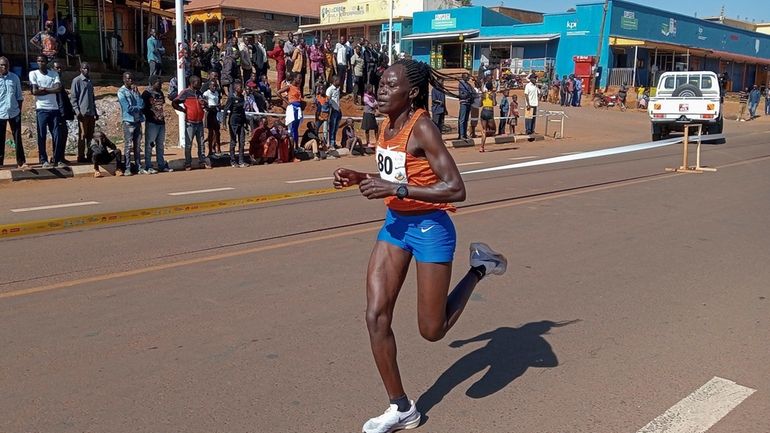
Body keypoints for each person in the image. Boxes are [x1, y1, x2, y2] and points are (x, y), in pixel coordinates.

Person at [332, 59, 507, 433]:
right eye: (380, 83)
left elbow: (456, 188)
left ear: (410, 93)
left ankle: (480, 268)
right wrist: (361, 177)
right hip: (395, 225)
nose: (380, 90)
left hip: (431, 227)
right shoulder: (386, 123)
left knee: (433, 330)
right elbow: (398, 174)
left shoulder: (422, 127)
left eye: (389, 85)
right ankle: (401, 407)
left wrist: (395, 189)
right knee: (375, 316)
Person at [29, 55, 63, 168]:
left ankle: (57, 159)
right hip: (41, 109)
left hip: (54, 109)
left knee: (57, 134)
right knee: (42, 135)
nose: (40, 63)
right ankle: (43, 160)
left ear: (47, 62)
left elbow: (58, 89)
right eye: (38, 61)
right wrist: (50, 90)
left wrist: (43, 89)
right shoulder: (33, 74)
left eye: (42, 61)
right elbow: (34, 91)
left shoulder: (54, 73)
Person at [172, 75, 211, 170]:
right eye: (198, 82)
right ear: (192, 83)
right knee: (188, 143)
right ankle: (188, 163)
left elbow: (206, 105)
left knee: (201, 143)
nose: (200, 83)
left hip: (199, 122)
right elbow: (175, 102)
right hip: (190, 122)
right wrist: (183, 110)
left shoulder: (199, 93)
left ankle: (202, 161)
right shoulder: (185, 92)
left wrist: (204, 103)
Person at [0, 57, 27, 169]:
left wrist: (19, 112)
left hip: (14, 112)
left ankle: (21, 162)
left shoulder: (14, 78)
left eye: (6, 65)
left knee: (17, 138)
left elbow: (19, 97)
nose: (4, 67)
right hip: (0, 113)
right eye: (2, 65)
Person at [117, 71, 145, 175]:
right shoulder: (121, 92)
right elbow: (127, 108)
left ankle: (138, 167)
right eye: (128, 79)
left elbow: (142, 104)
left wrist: (137, 94)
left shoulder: (134, 90)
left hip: (137, 121)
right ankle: (127, 168)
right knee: (128, 146)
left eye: (132, 78)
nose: (130, 80)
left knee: (137, 146)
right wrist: (138, 108)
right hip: (128, 121)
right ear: (124, 79)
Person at [70, 62, 98, 164]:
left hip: (91, 113)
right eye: (84, 69)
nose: (86, 70)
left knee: (91, 136)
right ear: (80, 69)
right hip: (82, 113)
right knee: (82, 135)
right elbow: (73, 98)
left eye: (88, 69)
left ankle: (90, 155)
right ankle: (81, 156)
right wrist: (77, 111)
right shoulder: (77, 81)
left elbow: (92, 98)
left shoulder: (90, 81)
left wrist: (95, 112)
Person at [141, 75, 169, 173]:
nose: (161, 85)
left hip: (161, 122)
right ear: (153, 83)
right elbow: (143, 108)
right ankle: (148, 166)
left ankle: (161, 165)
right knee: (149, 145)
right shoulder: (146, 94)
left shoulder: (160, 93)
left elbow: (161, 105)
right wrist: (150, 115)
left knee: (160, 145)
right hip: (152, 123)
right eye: (159, 83)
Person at [51, 60, 75, 164]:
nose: (59, 70)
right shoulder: (53, 82)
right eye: (57, 68)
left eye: (60, 68)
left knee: (63, 135)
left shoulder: (60, 81)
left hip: (63, 114)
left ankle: (61, 157)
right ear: (52, 69)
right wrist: (61, 113)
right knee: (58, 136)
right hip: (57, 114)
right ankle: (57, 158)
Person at [223, 80, 249, 167]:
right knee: (233, 141)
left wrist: (245, 122)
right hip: (233, 122)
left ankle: (241, 161)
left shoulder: (242, 97)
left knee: (242, 141)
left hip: (241, 121)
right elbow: (226, 110)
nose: (242, 89)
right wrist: (224, 123)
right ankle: (233, 161)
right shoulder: (231, 98)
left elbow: (242, 111)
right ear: (236, 88)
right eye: (240, 87)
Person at [278, 74, 304, 148]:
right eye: (299, 78)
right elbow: (278, 92)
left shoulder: (298, 87)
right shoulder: (289, 86)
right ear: (294, 78)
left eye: (301, 78)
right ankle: (292, 147)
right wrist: (287, 102)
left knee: (296, 128)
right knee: (292, 128)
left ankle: (296, 146)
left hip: (298, 109)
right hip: (293, 108)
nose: (300, 80)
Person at [203, 78, 222, 155]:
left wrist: (219, 106)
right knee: (210, 132)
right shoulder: (206, 93)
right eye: (213, 86)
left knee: (217, 132)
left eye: (215, 86)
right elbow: (205, 104)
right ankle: (210, 150)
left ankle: (218, 148)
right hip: (210, 113)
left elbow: (218, 102)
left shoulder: (217, 93)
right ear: (209, 86)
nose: (214, 87)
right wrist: (212, 106)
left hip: (216, 113)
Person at [479, 81, 496, 153]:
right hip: (489, 112)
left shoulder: (483, 94)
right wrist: (492, 98)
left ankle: (482, 147)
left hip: (483, 111)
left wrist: (483, 98)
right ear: (491, 87)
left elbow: (480, 105)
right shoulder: (493, 94)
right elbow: (494, 104)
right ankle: (488, 133)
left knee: (484, 130)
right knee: (494, 130)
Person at [326, 76, 342, 149]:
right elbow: (328, 100)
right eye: (338, 80)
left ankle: (334, 142)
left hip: (338, 110)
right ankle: (331, 143)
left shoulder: (338, 89)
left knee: (336, 128)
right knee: (332, 128)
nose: (339, 82)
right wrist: (332, 108)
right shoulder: (330, 89)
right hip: (333, 111)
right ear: (334, 81)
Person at [457, 73, 473, 140]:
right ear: (464, 77)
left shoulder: (468, 84)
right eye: (467, 77)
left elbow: (471, 91)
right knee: (462, 119)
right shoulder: (462, 84)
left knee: (466, 119)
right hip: (464, 103)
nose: (468, 78)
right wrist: (469, 94)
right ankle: (461, 135)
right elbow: (465, 93)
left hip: (468, 103)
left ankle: (464, 134)